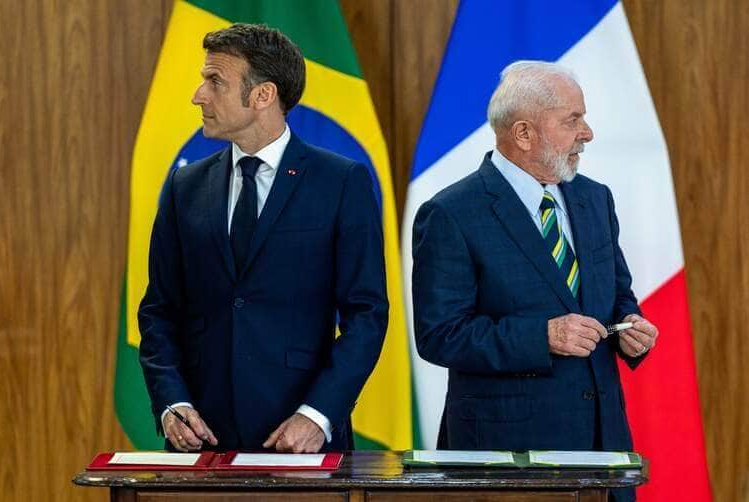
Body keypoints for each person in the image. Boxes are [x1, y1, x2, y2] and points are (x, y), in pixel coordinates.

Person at [411, 61, 658, 501]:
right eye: (573, 120)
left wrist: (629, 326)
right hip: (505, 457)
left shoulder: (594, 197)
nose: (588, 133)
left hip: (604, 448)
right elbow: (439, 335)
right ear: (523, 134)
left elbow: (618, 293)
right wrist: (542, 336)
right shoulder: (450, 213)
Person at [138, 23, 388, 454]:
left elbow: (366, 314)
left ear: (263, 95)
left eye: (214, 81)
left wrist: (317, 415)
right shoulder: (186, 187)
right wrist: (171, 402)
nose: (199, 95)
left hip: (300, 437)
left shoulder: (341, 182)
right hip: (202, 440)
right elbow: (159, 310)